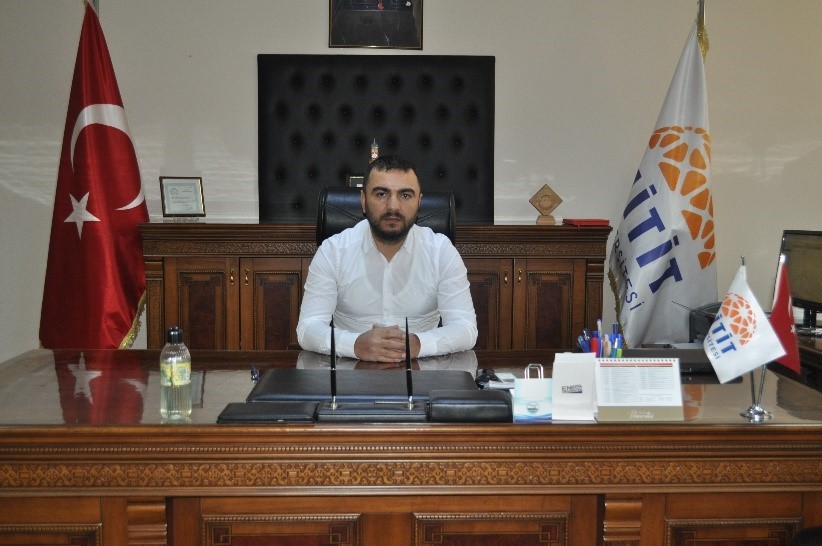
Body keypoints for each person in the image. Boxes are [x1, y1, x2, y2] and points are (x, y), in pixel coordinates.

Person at [297, 154, 478, 362]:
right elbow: (308, 328)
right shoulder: (333, 251)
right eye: (381, 194)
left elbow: (465, 328)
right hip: (350, 370)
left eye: (405, 195)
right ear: (363, 200)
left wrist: (417, 344)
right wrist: (355, 345)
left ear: (419, 202)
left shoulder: (441, 251)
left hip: (422, 369)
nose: (393, 206)